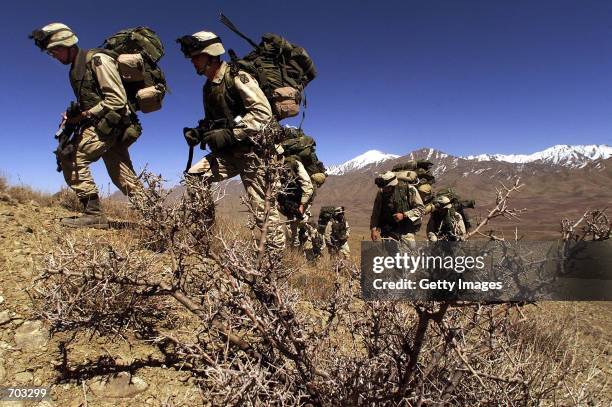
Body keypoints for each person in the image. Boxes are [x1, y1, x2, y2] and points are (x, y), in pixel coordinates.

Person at [177, 31, 285, 248]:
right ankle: (202, 239)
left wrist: (231, 134)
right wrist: (199, 132)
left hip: (256, 153)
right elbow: (215, 122)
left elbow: (263, 115)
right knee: (195, 177)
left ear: (211, 55)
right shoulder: (208, 88)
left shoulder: (237, 76)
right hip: (230, 153)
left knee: (263, 209)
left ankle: (274, 261)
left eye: (196, 57)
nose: (193, 62)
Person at [30, 23, 143, 229]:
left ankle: (93, 214)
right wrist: (73, 115)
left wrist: (84, 114)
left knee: (72, 156)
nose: (53, 55)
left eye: (55, 50)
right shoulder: (76, 70)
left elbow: (117, 100)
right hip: (106, 125)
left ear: (67, 43)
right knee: (123, 178)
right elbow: (93, 100)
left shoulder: (98, 60)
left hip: (112, 124)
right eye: (50, 52)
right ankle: (160, 217)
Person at [370, 171, 425, 247]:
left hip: (406, 230)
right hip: (389, 230)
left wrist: (404, 215)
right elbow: (376, 212)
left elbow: (421, 209)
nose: (384, 189)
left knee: (408, 256)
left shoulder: (409, 189)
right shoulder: (381, 192)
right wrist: (373, 229)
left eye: (387, 187)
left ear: (392, 185)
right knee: (391, 256)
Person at [278, 158, 315, 247]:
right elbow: (308, 188)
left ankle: (295, 248)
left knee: (297, 224)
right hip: (289, 200)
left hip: (294, 200)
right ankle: (293, 249)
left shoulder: (294, 165)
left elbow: (308, 188)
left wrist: (302, 205)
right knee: (294, 226)